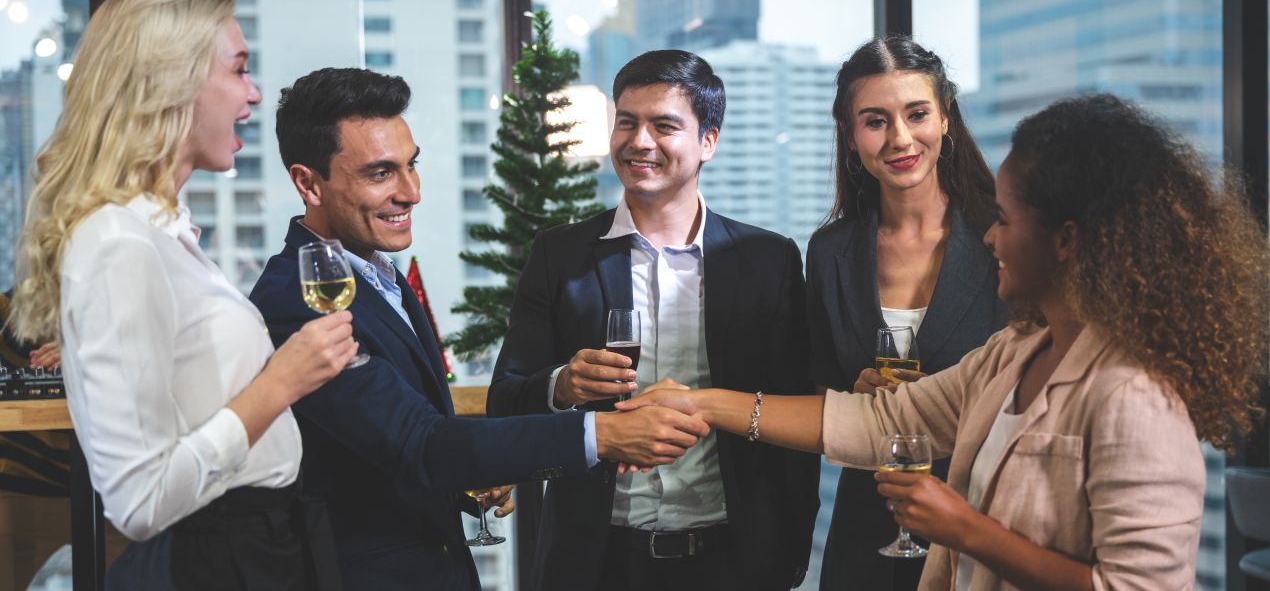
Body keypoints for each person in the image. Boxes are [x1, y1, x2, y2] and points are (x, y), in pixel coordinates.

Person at [620, 93, 1269, 590]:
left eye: (1007, 220)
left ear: (1067, 241)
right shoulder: (1014, 354)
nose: (990, 237)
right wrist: (700, 403)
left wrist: (965, 530)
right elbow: (880, 420)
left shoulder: (1135, 396)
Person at [249, 67, 710, 591]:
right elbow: (420, 445)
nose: (411, 192)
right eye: (381, 173)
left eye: (411, 165)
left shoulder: (378, 273)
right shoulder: (296, 300)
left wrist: (468, 480)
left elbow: (394, 437)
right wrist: (606, 434)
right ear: (308, 182)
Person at [9, 0, 357, 590]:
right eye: (239, 68)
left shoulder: (158, 234)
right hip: (218, 561)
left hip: (261, 546)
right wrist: (280, 382)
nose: (252, 94)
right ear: (171, 80)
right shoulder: (118, 243)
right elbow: (140, 501)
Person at [487, 49, 820, 591]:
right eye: (626, 122)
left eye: (664, 125)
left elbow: (795, 410)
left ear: (708, 140)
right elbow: (506, 399)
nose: (639, 141)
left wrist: (786, 556)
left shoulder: (768, 259)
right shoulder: (560, 255)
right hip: (595, 561)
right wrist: (563, 385)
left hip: (734, 559)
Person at [807, 36, 1007, 590]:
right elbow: (818, 388)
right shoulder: (829, 251)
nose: (899, 138)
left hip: (981, 521)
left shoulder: (1004, 237)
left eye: (916, 114)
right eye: (875, 121)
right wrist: (851, 391)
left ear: (945, 117)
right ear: (850, 137)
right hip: (866, 527)